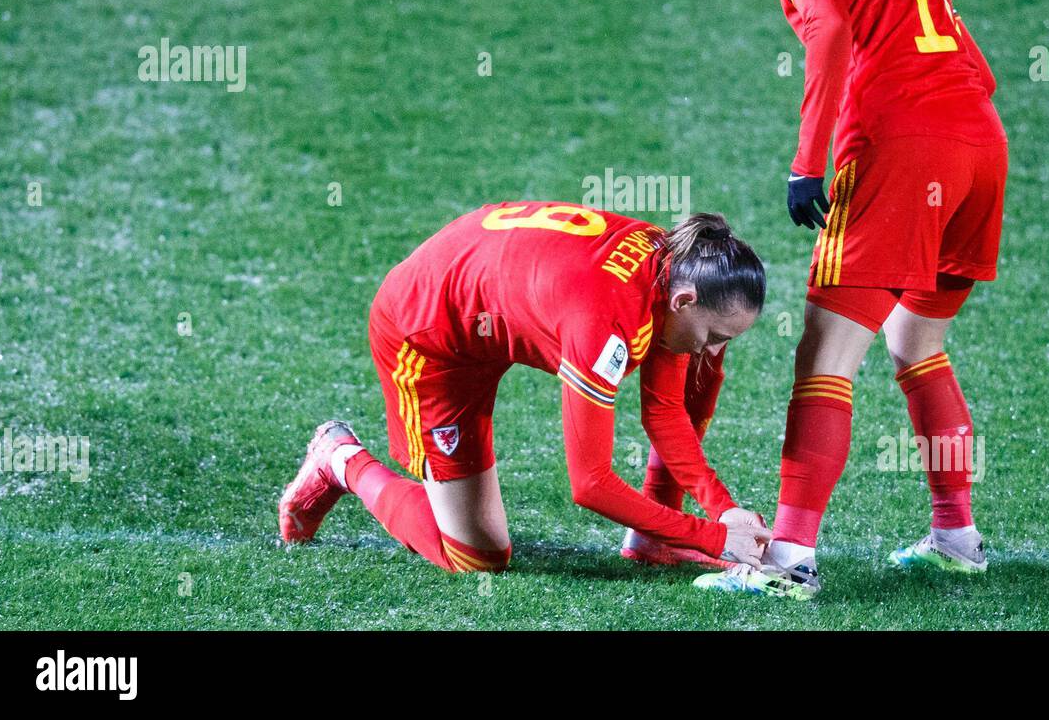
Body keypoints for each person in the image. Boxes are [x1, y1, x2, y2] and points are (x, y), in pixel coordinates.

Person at [695, 0, 1008, 598]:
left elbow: (829, 31)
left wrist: (809, 161)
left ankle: (788, 558)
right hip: (979, 142)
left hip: (905, 147)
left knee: (825, 358)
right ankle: (956, 537)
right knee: (915, 342)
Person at [278, 201, 772, 574]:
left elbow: (665, 411)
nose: (711, 351)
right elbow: (591, 483)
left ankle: (653, 538)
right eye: (714, 336)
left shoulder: (677, 268)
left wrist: (723, 511)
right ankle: (340, 459)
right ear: (684, 301)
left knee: (692, 378)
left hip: (481, 300)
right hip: (427, 336)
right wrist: (710, 537)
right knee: (477, 556)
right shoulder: (606, 322)